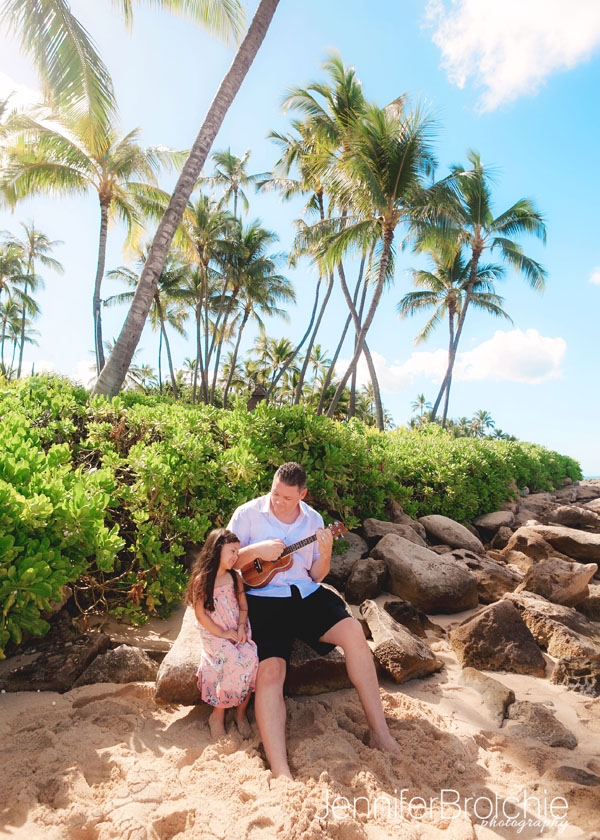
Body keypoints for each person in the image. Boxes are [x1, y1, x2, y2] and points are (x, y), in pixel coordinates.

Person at [228, 462, 401, 779]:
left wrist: (326, 551)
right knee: (271, 671)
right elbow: (225, 561)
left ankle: (380, 733)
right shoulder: (248, 514)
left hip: (305, 594)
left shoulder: (314, 521)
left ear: (302, 494)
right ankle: (281, 770)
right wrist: (258, 549)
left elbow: (316, 575)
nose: (278, 501)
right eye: (275, 493)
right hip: (262, 600)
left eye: (287, 498)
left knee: (354, 636)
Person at [186, 528, 259, 740]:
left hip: (236, 628)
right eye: (232, 551)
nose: (236, 557)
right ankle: (217, 715)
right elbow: (201, 615)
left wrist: (241, 628)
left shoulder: (235, 577)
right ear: (217, 551)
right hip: (215, 632)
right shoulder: (203, 580)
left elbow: (243, 607)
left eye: (237, 552)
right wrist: (223, 633)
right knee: (232, 661)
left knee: (251, 658)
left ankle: (240, 713)